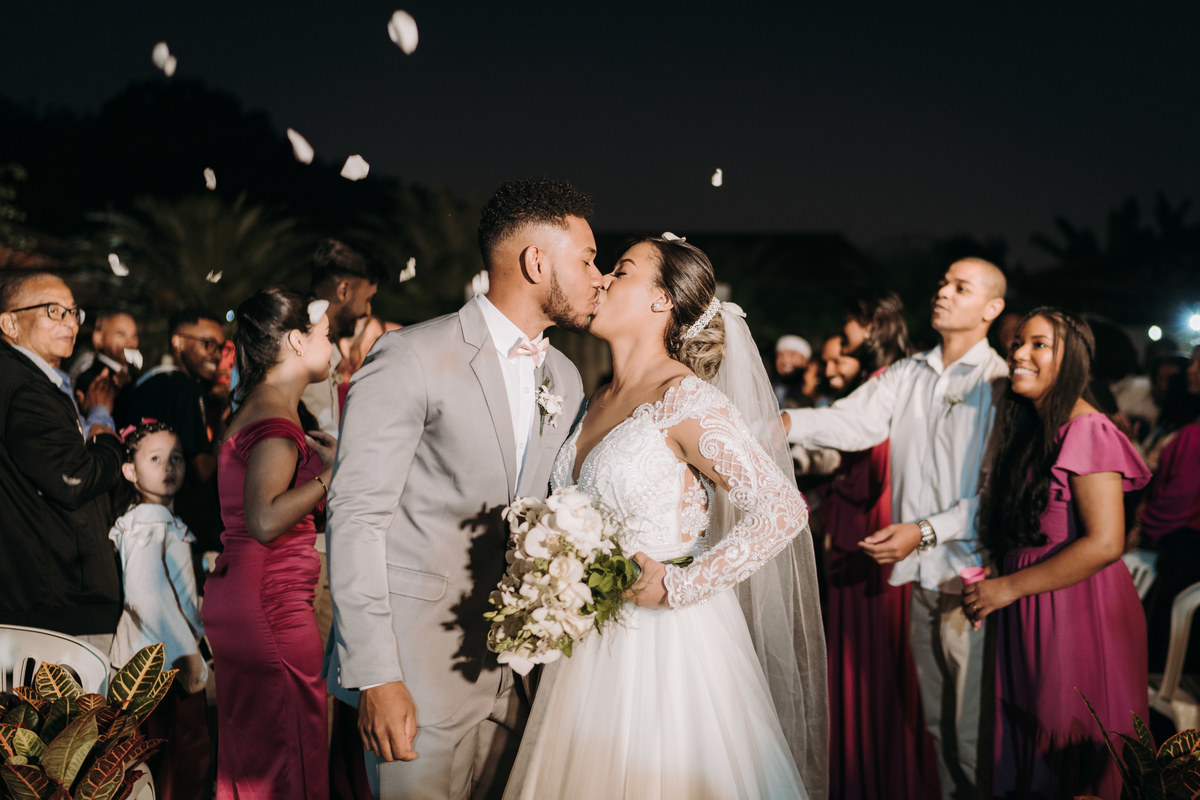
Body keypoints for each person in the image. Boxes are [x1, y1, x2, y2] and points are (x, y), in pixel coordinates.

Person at [504, 235, 827, 799]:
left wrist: (680, 584)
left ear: (662, 301)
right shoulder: (593, 399)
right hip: (585, 646)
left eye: (621, 270)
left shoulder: (686, 400)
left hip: (667, 651)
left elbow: (781, 509)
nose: (601, 278)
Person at [328, 178, 602, 799]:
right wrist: (376, 675)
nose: (599, 276)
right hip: (417, 671)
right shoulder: (411, 355)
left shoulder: (564, 372)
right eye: (586, 259)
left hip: (522, 676)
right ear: (537, 261)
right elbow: (355, 518)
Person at [782, 258, 1008, 799]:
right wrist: (784, 421)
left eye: (961, 287)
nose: (943, 292)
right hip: (917, 579)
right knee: (937, 729)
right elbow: (852, 422)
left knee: (975, 736)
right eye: (942, 283)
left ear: (992, 308)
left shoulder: (997, 382)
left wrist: (924, 531)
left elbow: (996, 497)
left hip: (973, 579)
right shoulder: (908, 373)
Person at [965, 308, 1150, 799]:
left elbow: (1106, 542)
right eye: (1018, 343)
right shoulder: (1034, 428)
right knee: (1030, 741)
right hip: (1031, 602)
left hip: (1077, 609)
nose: (1019, 354)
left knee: (1068, 750)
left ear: (1073, 361)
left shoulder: (1088, 430)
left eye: (1039, 345)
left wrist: (1006, 587)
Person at [201, 288, 338, 799]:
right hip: (270, 605)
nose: (335, 346)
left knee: (253, 755)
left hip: (244, 596)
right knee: (290, 750)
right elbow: (264, 518)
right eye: (327, 336)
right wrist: (333, 479)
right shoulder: (279, 422)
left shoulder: (260, 406)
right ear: (298, 342)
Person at [820, 290, 933, 800]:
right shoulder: (884, 384)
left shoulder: (889, 388)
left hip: (871, 528)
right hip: (858, 524)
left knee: (876, 666)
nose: (843, 337)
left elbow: (874, 473)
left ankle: (884, 776)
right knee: (863, 665)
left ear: (871, 326)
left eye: (849, 326)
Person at [0, 272, 124, 648]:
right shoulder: (26, 388)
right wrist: (106, 440)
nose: (70, 322)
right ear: (8, 322)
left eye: (73, 312)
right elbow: (74, 478)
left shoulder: (30, 381)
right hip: (55, 604)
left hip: (43, 598)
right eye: (53, 311)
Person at [109, 420, 210, 800]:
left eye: (176, 458)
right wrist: (189, 655)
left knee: (167, 765)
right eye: (155, 459)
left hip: (162, 665)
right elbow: (145, 595)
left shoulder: (159, 519)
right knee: (171, 766)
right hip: (159, 669)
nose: (169, 467)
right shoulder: (148, 522)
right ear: (130, 470)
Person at [121, 308, 228, 562]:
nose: (215, 354)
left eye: (220, 347)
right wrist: (225, 424)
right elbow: (203, 468)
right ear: (177, 341)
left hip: (141, 521)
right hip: (187, 531)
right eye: (207, 344)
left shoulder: (141, 385)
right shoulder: (186, 390)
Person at [1138, 345, 1200, 673]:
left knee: (1164, 660)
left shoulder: (1194, 434)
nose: (1189, 371)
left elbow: (1177, 501)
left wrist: (1141, 522)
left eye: (1196, 363)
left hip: (1183, 553)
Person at [304, 238, 385, 438]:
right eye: (367, 300)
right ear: (343, 290)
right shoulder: (300, 341)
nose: (368, 311)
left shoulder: (327, 343)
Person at [773, 334, 812, 408]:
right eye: (780, 355)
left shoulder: (811, 393)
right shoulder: (769, 389)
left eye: (792, 355)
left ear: (805, 361)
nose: (785, 360)